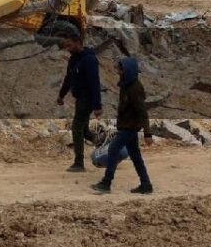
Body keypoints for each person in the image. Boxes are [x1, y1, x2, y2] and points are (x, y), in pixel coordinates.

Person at [93, 57, 153, 194]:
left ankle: (106, 183)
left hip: (130, 128)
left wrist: (147, 133)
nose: (118, 72)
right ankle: (146, 184)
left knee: (113, 149)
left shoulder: (135, 89)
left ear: (127, 71)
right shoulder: (126, 85)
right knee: (136, 156)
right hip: (127, 126)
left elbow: (142, 112)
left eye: (120, 69)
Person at [56, 26, 102, 172]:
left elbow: (94, 83)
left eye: (69, 45)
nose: (67, 48)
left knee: (77, 127)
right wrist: (61, 95)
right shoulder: (73, 59)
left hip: (87, 99)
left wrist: (97, 106)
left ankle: (79, 163)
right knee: (84, 130)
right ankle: (107, 146)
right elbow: (68, 78)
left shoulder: (89, 59)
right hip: (80, 99)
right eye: (66, 46)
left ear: (78, 42)